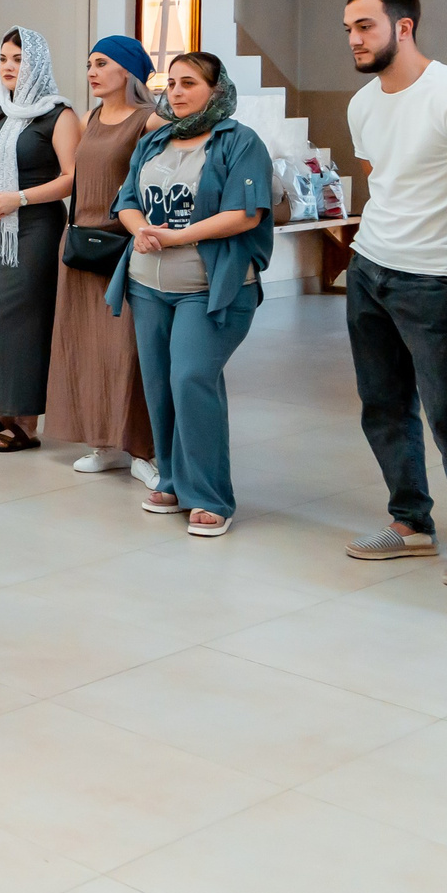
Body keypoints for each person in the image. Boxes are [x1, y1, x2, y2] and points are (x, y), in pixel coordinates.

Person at [337, 0, 447, 585]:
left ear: (403, 27)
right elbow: (379, 181)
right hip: (369, 268)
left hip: (436, 277)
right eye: (349, 30)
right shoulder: (362, 103)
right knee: (382, 404)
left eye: (366, 27)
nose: (355, 40)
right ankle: (410, 522)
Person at [112, 53, 275, 539]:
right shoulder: (155, 139)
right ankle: (174, 478)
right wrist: (141, 229)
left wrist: (175, 237)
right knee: (160, 383)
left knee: (190, 377)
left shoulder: (240, 142)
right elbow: (126, 201)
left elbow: (245, 214)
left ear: (216, 89)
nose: (177, 92)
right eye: (172, 83)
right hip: (147, 286)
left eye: (190, 83)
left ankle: (210, 496)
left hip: (209, 290)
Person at [46, 37, 162, 485]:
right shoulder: (91, 116)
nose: (92, 71)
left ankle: (142, 449)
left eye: (102, 64)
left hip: (122, 244)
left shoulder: (147, 119)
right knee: (89, 349)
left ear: (128, 71)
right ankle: (103, 442)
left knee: (127, 349)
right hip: (80, 245)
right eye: (90, 63)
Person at [0, 28, 81, 451]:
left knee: (26, 324)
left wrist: (21, 198)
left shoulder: (59, 114)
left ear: (37, 65)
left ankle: (26, 422)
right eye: (4, 58)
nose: (9, 66)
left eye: (19, 59)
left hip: (36, 228)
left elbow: (72, 177)